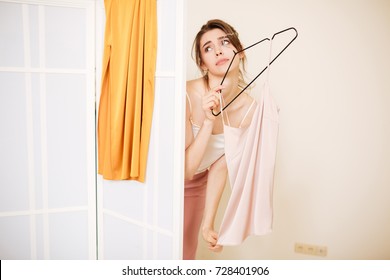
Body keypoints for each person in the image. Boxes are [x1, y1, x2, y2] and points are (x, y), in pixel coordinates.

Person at [184, 19, 257, 260]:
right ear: (203, 65)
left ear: (241, 51)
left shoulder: (250, 110)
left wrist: (208, 224)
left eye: (225, 42)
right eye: (208, 48)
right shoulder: (185, 94)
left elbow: (220, 166)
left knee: (184, 255)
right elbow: (185, 170)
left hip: (197, 185)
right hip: (164, 182)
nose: (218, 50)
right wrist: (207, 121)